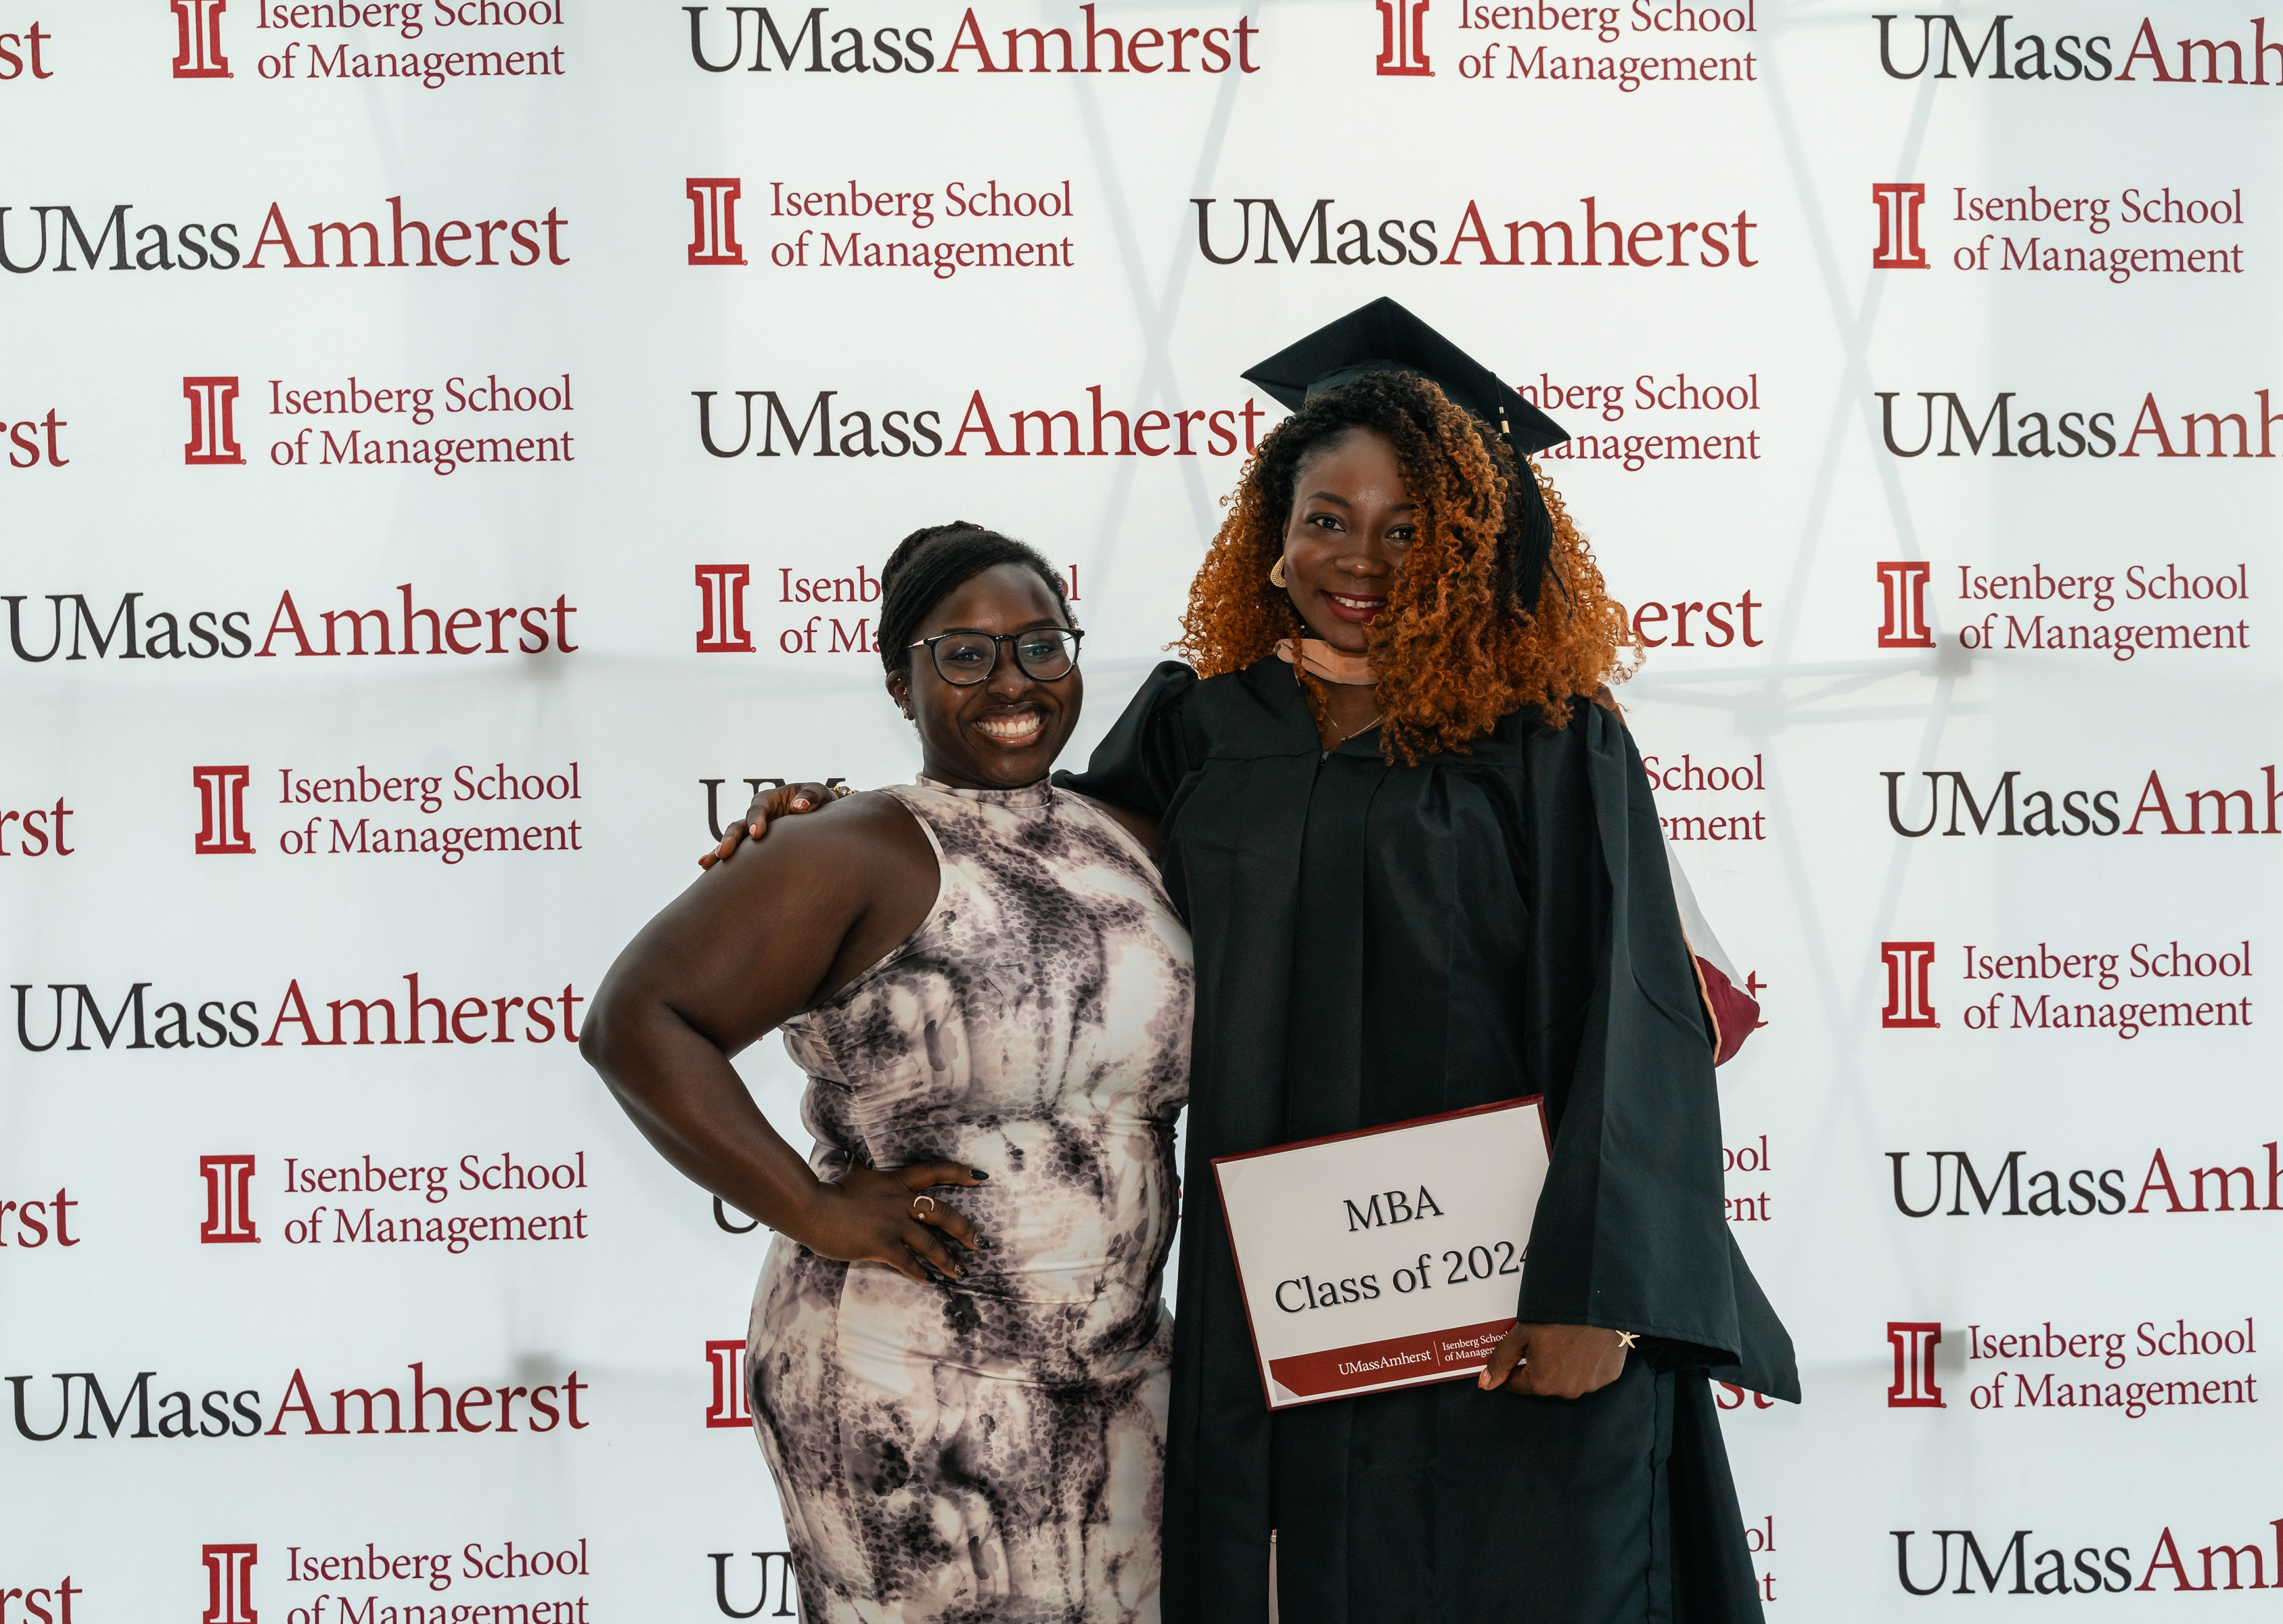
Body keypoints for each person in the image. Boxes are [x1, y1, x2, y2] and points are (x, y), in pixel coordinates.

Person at [708, 301, 1797, 1624]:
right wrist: (834, 827)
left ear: (1472, 542)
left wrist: (1599, 1301)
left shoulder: (1552, 741)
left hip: (1510, 1302)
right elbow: (1040, 874)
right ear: (1274, 536)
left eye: (1409, 528)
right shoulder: (1206, 727)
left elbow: (1634, 1019)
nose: (1361, 558)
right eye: (1326, 517)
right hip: (1288, 1307)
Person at [584, 523, 1191, 1624]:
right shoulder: (854, 845)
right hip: (904, 1379)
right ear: (900, 685)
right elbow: (638, 1021)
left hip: (1118, 1372)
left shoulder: (1135, 840)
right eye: (964, 654)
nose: (1011, 681)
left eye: (1041, 645)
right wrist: (812, 1208)